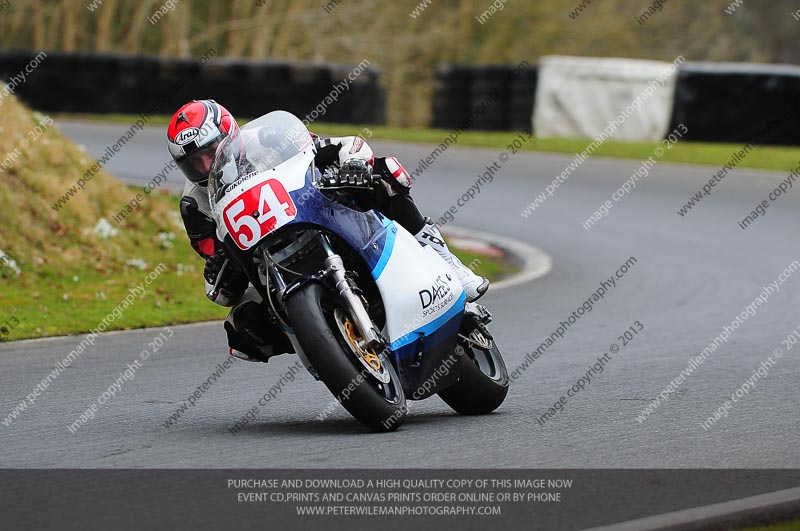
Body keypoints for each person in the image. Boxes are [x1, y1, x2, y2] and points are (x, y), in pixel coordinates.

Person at [167, 99, 488, 362]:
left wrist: (349, 162)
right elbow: (217, 261)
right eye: (194, 162)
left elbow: (328, 148)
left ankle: (447, 262)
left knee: (384, 174)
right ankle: (317, 343)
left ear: (230, 135)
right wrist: (218, 267)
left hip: (318, 212)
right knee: (242, 323)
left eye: (211, 152)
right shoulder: (195, 205)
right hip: (269, 262)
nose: (206, 167)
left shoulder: (265, 139)